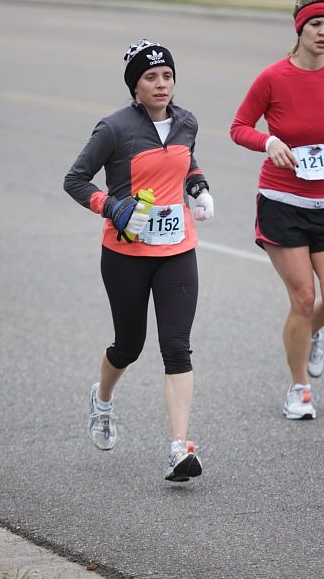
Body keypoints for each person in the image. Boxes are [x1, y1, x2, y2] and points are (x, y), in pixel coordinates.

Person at [64, 39, 214, 480]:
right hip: (126, 253)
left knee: (177, 346)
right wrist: (112, 207)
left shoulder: (186, 122)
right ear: (135, 86)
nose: (161, 84)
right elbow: (75, 180)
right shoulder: (113, 129)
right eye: (150, 77)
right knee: (129, 345)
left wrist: (199, 188)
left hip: (177, 250)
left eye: (167, 75)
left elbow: (186, 162)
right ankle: (103, 400)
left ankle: (178, 448)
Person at [230, 0, 324, 420]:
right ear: (300, 28)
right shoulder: (273, 78)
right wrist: (269, 141)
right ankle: (299, 389)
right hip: (282, 202)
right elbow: (239, 127)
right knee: (304, 298)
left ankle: (310, 335)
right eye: (316, 25)